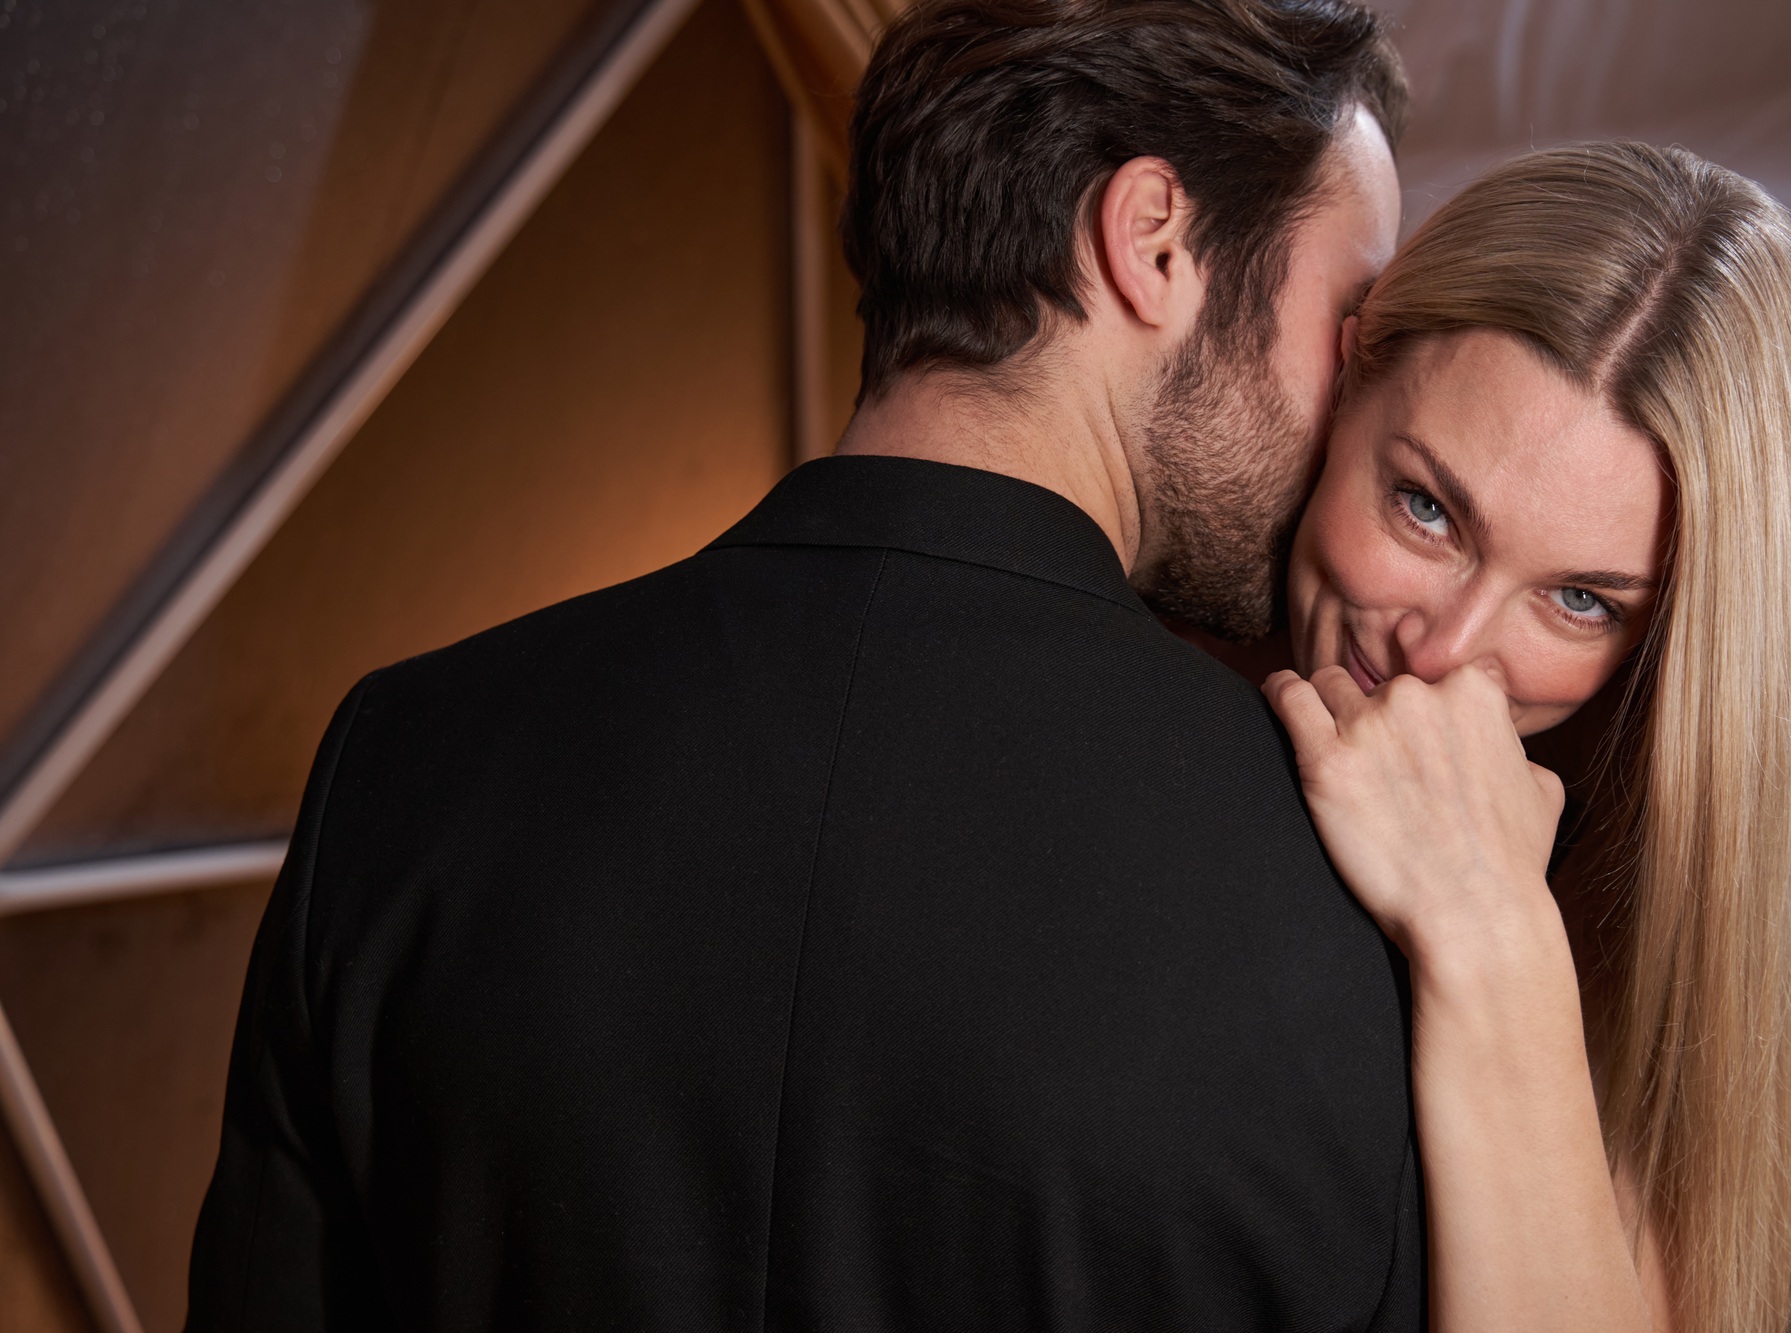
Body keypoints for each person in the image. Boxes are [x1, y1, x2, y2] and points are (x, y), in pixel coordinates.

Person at [186, 0, 1428, 1328]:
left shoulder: (406, 760)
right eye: (1350, 320)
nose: (1364, 401)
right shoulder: (1349, 870)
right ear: (1154, 242)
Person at [1263, 141, 1791, 1332]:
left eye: (1580, 599)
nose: (1442, 651)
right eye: (1424, 507)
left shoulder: (1644, 929)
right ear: (1342, 381)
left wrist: (1494, 942)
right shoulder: (1108, 682)